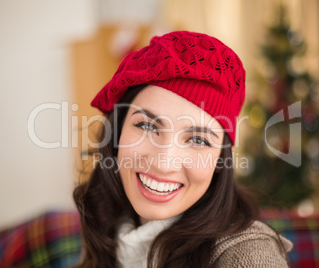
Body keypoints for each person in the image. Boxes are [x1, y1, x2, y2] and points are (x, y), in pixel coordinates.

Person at [73, 31, 292, 267]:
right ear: (117, 133)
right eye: (147, 126)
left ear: (220, 160)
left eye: (198, 140)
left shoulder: (247, 253)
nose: (164, 163)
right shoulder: (110, 225)